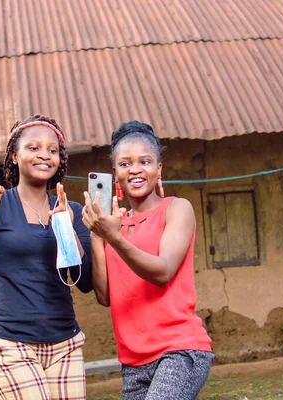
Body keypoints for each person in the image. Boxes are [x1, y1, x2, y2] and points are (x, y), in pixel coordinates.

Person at [0, 115, 92, 400]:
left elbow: (85, 281)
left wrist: (66, 229)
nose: (44, 155)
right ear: (14, 155)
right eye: (33, 147)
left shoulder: (69, 209)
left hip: (66, 342)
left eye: (52, 150)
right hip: (12, 341)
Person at [82, 120, 214, 400]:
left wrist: (115, 239)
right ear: (115, 173)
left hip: (179, 350)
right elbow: (105, 297)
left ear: (158, 170)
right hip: (133, 363)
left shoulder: (176, 209)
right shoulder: (114, 226)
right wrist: (97, 235)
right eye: (125, 163)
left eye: (145, 161)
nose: (135, 170)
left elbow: (163, 271)